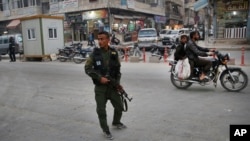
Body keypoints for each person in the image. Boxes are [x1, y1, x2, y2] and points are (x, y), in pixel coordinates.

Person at [84, 31, 126, 140]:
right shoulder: (94, 54)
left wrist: (118, 84)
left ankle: (116, 122)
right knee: (101, 110)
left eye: (103, 39)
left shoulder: (114, 53)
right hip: (100, 88)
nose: (100, 41)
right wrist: (99, 78)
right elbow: (87, 69)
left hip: (112, 86)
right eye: (99, 39)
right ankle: (105, 129)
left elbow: (118, 70)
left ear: (108, 40)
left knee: (120, 107)